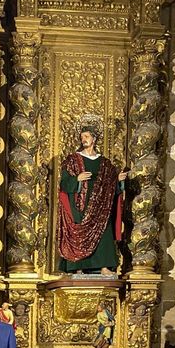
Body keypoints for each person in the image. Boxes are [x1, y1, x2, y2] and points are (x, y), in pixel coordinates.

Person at [58, 116, 127, 275]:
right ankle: (78, 267)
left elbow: (111, 186)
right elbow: (64, 183)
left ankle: (104, 267)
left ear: (94, 139)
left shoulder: (105, 163)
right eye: (82, 137)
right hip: (79, 205)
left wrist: (118, 181)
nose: (84, 140)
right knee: (79, 234)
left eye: (87, 137)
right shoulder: (73, 160)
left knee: (104, 230)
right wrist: (77, 179)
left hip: (100, 207)